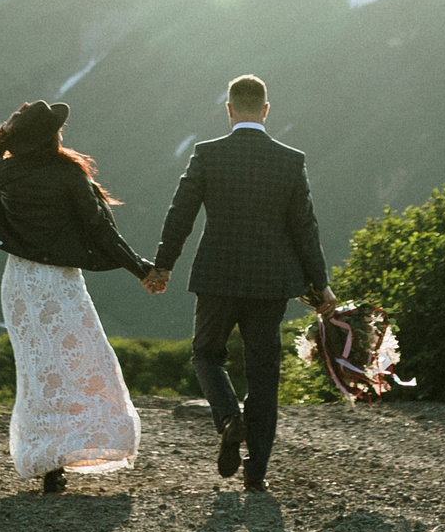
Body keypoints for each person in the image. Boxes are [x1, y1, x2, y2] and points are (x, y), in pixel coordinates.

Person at [144, 74, 336, 494]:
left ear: (228, 110)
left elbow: (181, 213)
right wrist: (320, 285)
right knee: (263, 371)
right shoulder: (290, 160)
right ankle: (257, 473)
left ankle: (230, 419)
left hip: (216, 276)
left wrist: (163, 265)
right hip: (270, 283)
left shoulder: (207, 155)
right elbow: (305, 228)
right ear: (266, 111)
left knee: (206, 354)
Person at [0, 99, 152, 494]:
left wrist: (2, 132)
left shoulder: (6, 172)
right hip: (58, 283)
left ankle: (47, 461)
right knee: (81, 361)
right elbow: (101, 232)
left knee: (37, 372)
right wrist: (142, 269)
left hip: (20, 284)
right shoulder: (69, 176)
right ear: (53, 137)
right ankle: (76, 445)